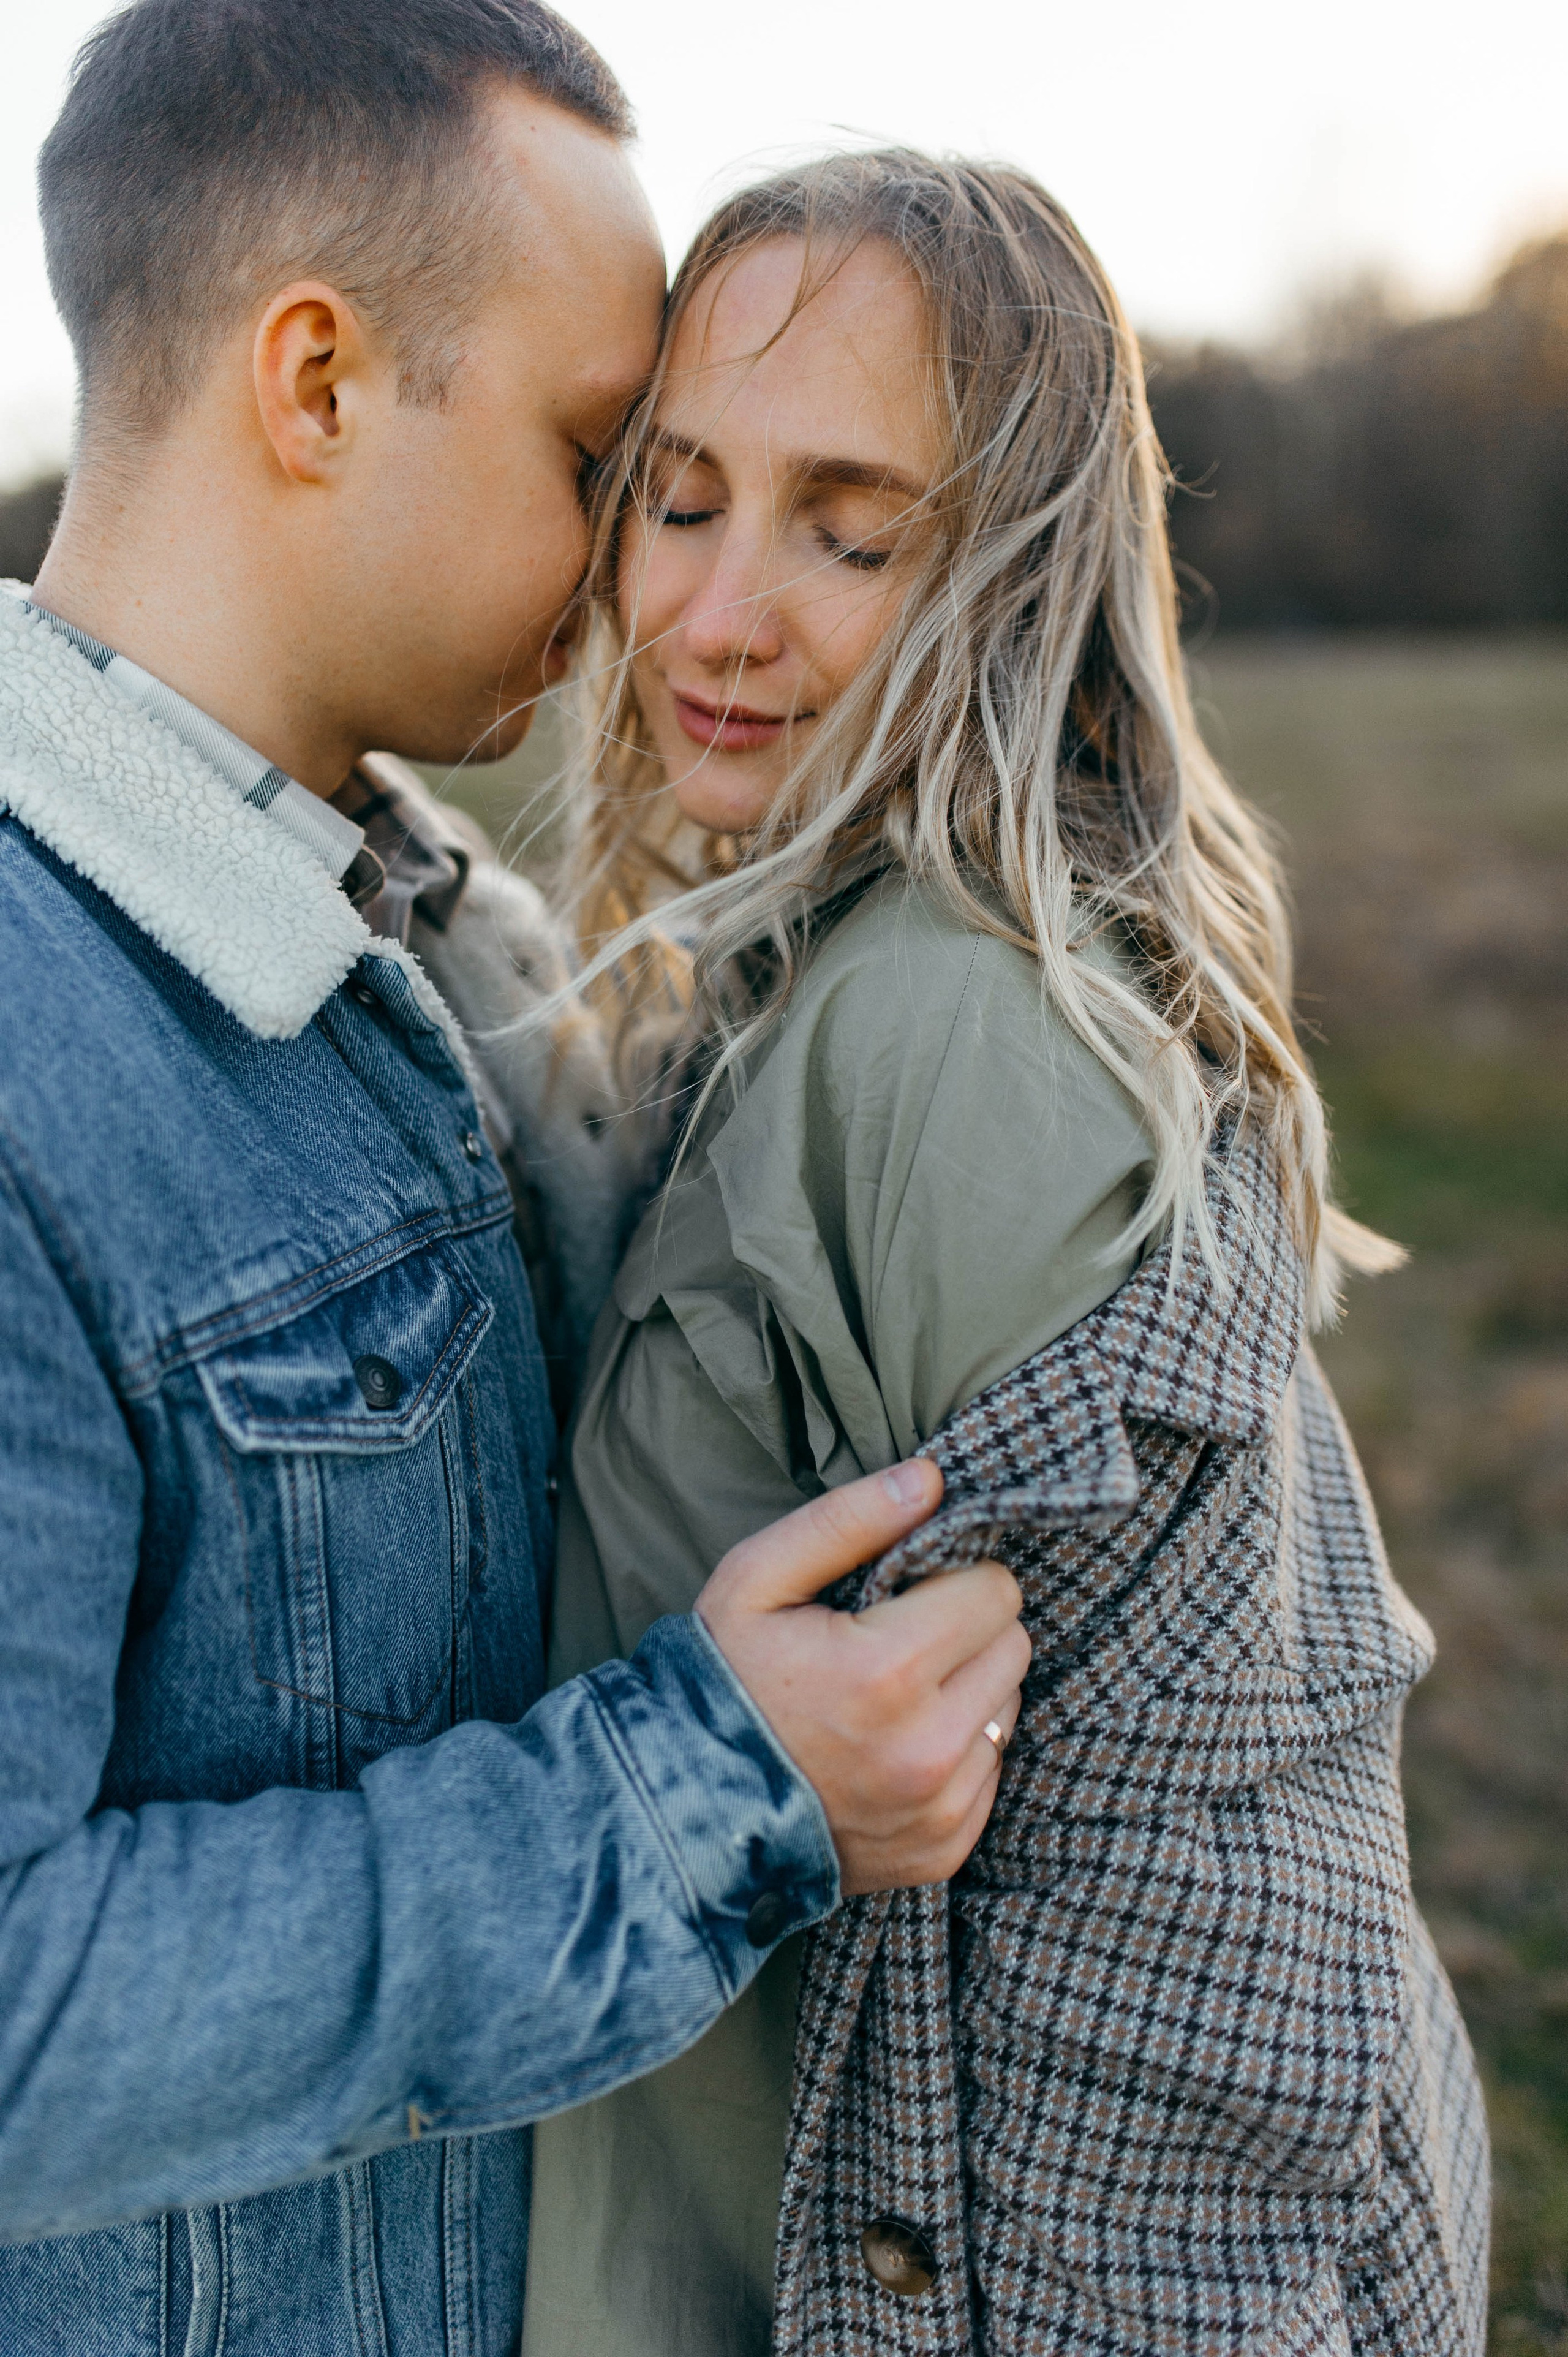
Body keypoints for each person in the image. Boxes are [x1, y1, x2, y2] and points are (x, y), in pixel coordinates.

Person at [0, 13, 1031, 2353]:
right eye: (603, 455)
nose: (641, 564)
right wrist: (705, 1796)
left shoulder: (449, 936)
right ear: (319, 382)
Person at [507, 153, 1491, 2356]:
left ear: (1025, 578)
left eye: (853, 534)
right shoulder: (802, 976)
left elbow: (1191, 1895)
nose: (720, 611)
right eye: (679, 500)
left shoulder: (962, 1042)